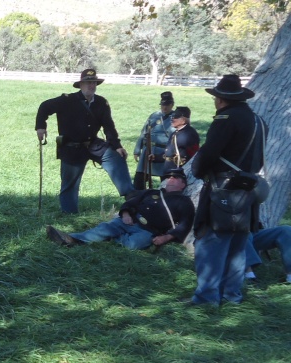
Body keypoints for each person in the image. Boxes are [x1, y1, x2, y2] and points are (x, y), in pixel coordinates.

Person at [187, 74, 266, 307]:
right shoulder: (259, 121)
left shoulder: (225, 118)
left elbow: (208, 154)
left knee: (211, 243)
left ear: (221, 100)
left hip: (223, 189)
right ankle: (232, 296)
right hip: (247, 188)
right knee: (237, 245)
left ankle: (206, 299)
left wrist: (199, 170)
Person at [35, 69, 134, 214]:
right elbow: (45, 107)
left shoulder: (101, 102)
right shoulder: (67, 100)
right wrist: (40, 127)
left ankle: (131, 197)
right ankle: (70, 214)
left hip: (93, 145)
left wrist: (117, 146)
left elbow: (108, 126)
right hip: (72, 147)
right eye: (88, 82)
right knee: (70, 184)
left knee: (115, 157)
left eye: (94, 82)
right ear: (81, 84)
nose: (91, 86)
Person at [46, 168, 194, 250]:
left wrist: (165, 237)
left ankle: (110, 239)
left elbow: (185, 224)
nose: (170, 180)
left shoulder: (184, 201)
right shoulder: (153, 193)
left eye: (175, 178)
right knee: (104, 228)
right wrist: (125, 214)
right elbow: (132, 202)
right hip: (130, 221)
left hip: (148, 231)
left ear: (183, 185)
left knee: (134, 244)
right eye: (169, 177)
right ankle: (72, 239)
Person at [133, 91, 175, 189]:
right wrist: (137, 150)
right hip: (149, 150)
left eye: (167, 105)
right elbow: (143, 132)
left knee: (166, 181)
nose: (164, 107)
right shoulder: (154, 116)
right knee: (139, 179)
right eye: (163, 105)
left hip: (164, 152)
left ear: (172, 105)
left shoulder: (176, 117)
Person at [162, 106, 200, 172]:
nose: (172, 119)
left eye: (175, 117)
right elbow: (168, 154)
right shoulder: (174, 133)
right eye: (172, 116)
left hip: (180, 172)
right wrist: (155, 157)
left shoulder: (190, 134)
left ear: (183, 120)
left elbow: (193, 155)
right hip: (169, 170)